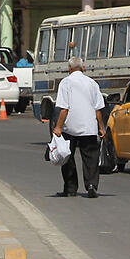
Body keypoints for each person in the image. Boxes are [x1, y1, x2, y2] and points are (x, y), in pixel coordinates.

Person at [51, 56, 105, 198]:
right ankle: (91, 185)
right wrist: (101, 127)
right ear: (83, 68)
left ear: (69, 69)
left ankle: (70, 188)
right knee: (91, 158)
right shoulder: (92, 83)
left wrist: (58, 127)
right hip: (89, 127)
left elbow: (64, 108)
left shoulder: (66, 83)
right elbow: (98, 109)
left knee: (67, 157)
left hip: (70, 127)